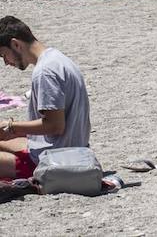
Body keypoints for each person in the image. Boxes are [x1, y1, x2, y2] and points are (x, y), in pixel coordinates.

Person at [0, 16, 91, 181]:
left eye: (4, 55)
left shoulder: (44, 72)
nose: (6, 62)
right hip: (73, 147)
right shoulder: (57, 58)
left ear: (15, 44)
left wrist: (12, 127)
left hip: (53, 160)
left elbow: (55, 125)